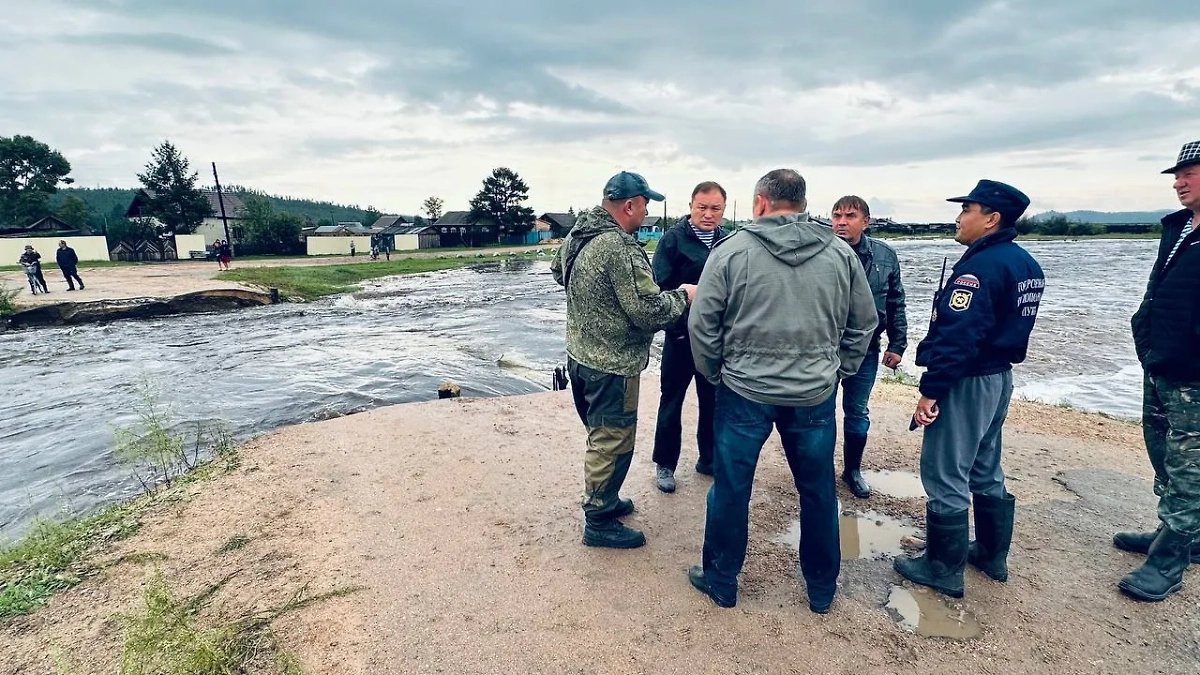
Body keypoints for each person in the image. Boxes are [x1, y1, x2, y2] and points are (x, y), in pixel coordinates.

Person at [686, 169, 877, 613]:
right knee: (817, 491)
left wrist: (715, 372)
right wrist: (839, 369)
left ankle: (721, 581)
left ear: (759, 204)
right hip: (813, 392)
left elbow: (703, 323)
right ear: (804, 204)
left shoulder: (731, 251)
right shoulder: (840, 254)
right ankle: (821, 590)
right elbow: (864, 322)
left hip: (744, 390)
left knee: (732, 489)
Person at [894, 179, 1044, 599]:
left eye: (968, 210)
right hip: (999, 379)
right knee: (984, 465)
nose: (959, 217)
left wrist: (931, 389)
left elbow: (959, 338)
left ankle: (943, 567)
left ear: (991, 219)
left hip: (968, 380)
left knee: (945, 470)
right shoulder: (1025, 263)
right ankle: (992, 554)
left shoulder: (979, 268)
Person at [550, 171, 697, 549]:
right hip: (612, 365)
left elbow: (557, 273)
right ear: (629, 205)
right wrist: (684, 295)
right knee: (611, 442)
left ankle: (608, 499)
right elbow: (648, 311)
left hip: (580, 356)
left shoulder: (579, 234)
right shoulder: (619, 246)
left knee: (601, 436)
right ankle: (599, 521)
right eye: (646, 204)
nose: (647, 212)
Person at [1118, 140, 1200, 602]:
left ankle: (1170, 559)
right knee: (1161, 449)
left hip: (1195, 374)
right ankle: (1178, 531)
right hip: (1161, 364)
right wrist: (1146, 342)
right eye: (1177, 173)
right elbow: (1158, 295)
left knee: (1192, 466)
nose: (1178, 182)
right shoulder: (1178, 229)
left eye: (1189, 173)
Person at [651, 181, 729, 492]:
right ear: (691, 206)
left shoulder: (728, 242)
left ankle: (708, 459)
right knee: (671, 401)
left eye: (715, 208)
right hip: (681, 339)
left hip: (715, 340)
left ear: (723, 210)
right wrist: (684, 299)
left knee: (713, 402)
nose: (708, 214)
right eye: (702, 207)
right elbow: (657, 290)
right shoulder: (672, 240)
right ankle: (665, 464)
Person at [829, 196, 907, 498]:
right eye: (837, 215)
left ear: (866, 221)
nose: (842, 222)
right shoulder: (822, 251)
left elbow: (896, 301)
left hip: (867, 348)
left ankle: (852, 470)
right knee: (820, 411)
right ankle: (820, 471)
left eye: (850, 216)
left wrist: (898, 343)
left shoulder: (885, 256)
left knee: (857, 412)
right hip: (826, 348)